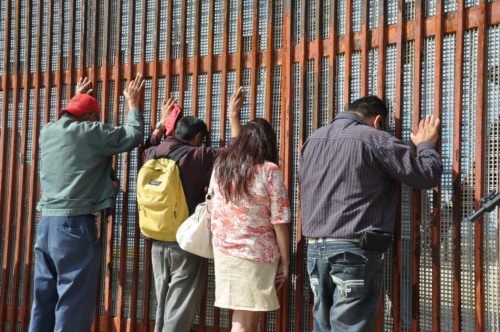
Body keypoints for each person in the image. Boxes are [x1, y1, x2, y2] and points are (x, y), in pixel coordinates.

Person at [299, 96, 442, 332]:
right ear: (377, 121)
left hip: (315, 251)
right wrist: (426, 144)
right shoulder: (373, 138)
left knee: (322, 327)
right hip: (352, 252)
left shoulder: (312, 141)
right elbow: (426, 175)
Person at [30, 75, 146, 331]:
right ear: (91, 118)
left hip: (47, 225)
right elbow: (133, 134)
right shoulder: (91, 132)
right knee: (73, 303)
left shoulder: (48, 132)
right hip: (74, 228)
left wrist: (77, 97)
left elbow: (69, 123)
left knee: (44, 300)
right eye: (96, 117)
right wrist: (134, 105)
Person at [143, 88, 245, 332]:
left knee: (162, 307)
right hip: (184, 242)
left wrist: (161, 122)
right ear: (198, 137)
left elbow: (149, 141)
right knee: (178, 310)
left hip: (156, 239)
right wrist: (232, 117)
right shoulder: (198, 156)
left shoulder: (151, 154)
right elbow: (236, 154)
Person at [210, 118, 291, 332]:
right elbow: (280, 220)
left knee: (245, 313)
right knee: (245, 320)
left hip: (224, 251)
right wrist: (286, 260)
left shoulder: (221, 166)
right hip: (255, 252)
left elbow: (211, 203)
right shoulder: (269, 170)